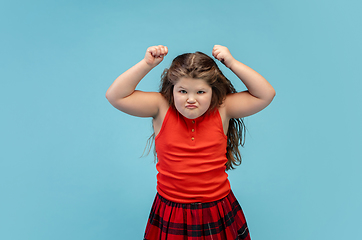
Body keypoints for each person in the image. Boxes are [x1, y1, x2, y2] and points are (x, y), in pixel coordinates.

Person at [106, 45, 276, 240]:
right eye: (183, 91)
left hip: (217, 208)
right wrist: (147, 64)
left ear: (213, 91)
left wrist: (232, 63)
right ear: (172, 89)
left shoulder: (223, 108)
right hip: (171, 209)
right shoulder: (161, 107)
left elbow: (266, 94)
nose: (191, 99)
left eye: (201, 92)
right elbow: (115, 96)